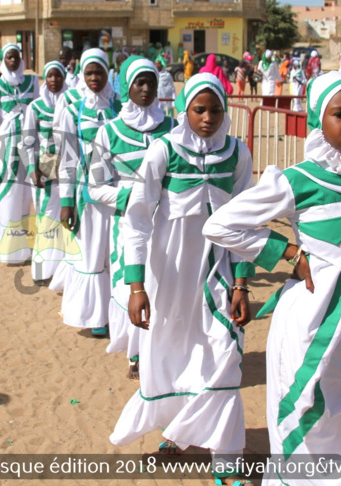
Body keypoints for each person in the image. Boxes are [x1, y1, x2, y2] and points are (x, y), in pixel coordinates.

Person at [203, 72, 341, 486]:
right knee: (309, 451)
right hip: (311, 345)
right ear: (320, 120)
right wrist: (286, 252)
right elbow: (221, 225)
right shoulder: (300, 180)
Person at [110, 74, 253, 483]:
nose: (208, 118)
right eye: (199, 109)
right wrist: (136, 287)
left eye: (216, 110)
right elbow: (136, 221)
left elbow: (248, 225)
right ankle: (176, 433)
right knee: (171, 355)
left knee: (225, 355)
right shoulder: (163, 151)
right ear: (184, 110)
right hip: (168, 278)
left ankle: (227, 460)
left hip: (218, 274)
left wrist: (242, 282)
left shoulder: (238, 154)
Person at [88, 56, 174, 378]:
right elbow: (94, 187)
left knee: (161, 283)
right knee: (133, 286)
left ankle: (160, 348)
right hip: (127, 222)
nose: (147, 88)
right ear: (126, 86)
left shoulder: (172, 127)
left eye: (151, 81)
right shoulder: (108, 132)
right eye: (139, 82)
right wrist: (129, 196)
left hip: (165, 220)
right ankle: (136, 355)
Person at [58, 49, 119, 337]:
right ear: (82, 75)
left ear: (109, 74)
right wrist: (67, 202)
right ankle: (97, 317)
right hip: (88, 195)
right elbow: (68, 158)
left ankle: (116, 314)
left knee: (116, 252)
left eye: (100, 72)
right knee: (92, 253)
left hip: (120, 192)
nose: (95, 78)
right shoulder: (73, 111)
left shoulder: (121, 107)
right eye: (89, 73)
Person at [0, 43, 38, 262]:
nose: (13, 61)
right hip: (6, 147)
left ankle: (27, 245)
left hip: (29, 143)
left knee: (27, 195)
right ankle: (9, 248)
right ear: (3, 61)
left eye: (16, 57)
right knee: (8, 194)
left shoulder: (33, 82)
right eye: (9, 58)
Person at [21, 61, 75, 285]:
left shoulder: (72, 104)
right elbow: (26, 143)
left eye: (58, 76)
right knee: (45, 219)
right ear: (44, 79)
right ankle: (42, 271)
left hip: (69, 167)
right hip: (45, 169)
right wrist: (32, 169)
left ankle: (63, 273)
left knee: (66, 219)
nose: (54, 80)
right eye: (50, 76)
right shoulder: (35, 107)